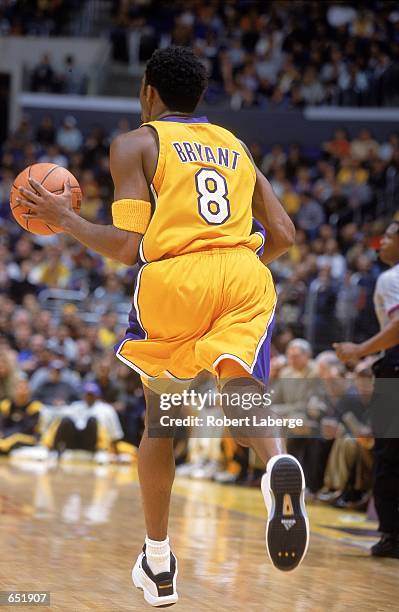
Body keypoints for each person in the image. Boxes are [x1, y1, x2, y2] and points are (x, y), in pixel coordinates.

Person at [16, 46, 308, 607]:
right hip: (246, 272)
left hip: (174, 279)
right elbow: (286, 234)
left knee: (161, 420)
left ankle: (158, 561)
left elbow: (128, 248)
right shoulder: (235, 146)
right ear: (199, 96)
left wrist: (66, 219)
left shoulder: (136, 143)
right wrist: (231, 263)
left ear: (148, 91)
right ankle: (276, 466)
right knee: (241, 385)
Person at [335, 220, 399, 559]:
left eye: (388, 237)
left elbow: (398, 325)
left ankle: (391, 534)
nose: (381, 244)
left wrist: (358, 351)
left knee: (388, 455)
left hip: (395, 373)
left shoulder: (392, 278)